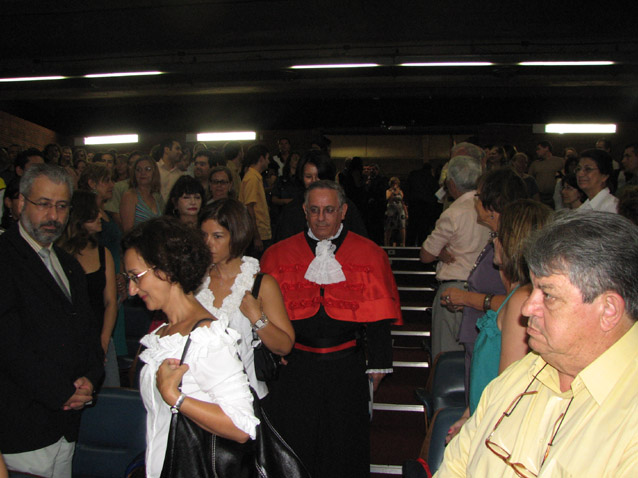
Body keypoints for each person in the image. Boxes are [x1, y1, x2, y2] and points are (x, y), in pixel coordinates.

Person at [435, 211, 638, 477]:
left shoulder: (629, 409)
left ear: (608, 310)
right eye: (533, 290)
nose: (527, 308)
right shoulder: (521, 373)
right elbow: (455, 466)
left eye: (548, 295)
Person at [261, 180, 402, 478]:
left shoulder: (370, 254)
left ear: (343, 211)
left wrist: (378, 365)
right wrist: (273, 355)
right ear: (304, 211)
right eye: (314, 210)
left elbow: (379, 318)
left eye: (329, 210)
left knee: (344, 447)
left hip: (347, 367)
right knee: (296, 445)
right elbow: (265, 316)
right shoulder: (277, 255)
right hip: (296, 366)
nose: (321, 218)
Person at [123, 216, 258, 478]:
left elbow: (242, 427)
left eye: (136, 277)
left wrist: (176, 397)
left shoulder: (207, 338)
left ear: (166, 268)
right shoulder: (164, 333)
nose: (131, 289)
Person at [0, 164, 103, 478]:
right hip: (23, 422)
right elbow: (8, 345)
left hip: (67, 423)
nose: (53, 216)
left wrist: (91, 377)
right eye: (43, 204)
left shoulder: (69, 264)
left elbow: (88, 331)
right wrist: (61, 392)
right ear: (21, 203)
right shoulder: (4, 257)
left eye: (61, 206)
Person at [446, 199, 552, 442]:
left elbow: (508, 389)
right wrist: (469, 413)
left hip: (495, 429)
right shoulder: (515, 296)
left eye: (498, 235)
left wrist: (475, 430)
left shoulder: (521, 301)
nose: (493, 241)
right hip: (484, 418)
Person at [441, 167, 528, 399]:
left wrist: (467, 298)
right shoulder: (497, 242)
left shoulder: (511, 248)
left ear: (492, 205)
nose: (475, 202)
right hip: (480, 338)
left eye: (478, 196)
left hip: (498, 344)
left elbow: (516, 302)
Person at [195, 199, 295, 398]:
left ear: (237, 236)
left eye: (217, 236)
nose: (208, 243)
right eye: (204, 235)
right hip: (198, 394)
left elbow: (284, 346)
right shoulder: (196, 280)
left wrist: (257, 317)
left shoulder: (259, 284)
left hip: (245, 397)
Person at [420, 155, 490, 358]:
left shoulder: (454, 213)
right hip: (484, 292)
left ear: (451, 183)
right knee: (476, 356)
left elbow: (426, 255)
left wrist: (440, 253)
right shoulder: (490, 207)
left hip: (454, 288)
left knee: (447, 356)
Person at [57, 190, 119, 387]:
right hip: (68, 341)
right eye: (95, 212)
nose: (101, 216)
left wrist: (104, 340)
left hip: (100, 335)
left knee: (111, 393)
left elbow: (110, 302)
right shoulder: (58, 255)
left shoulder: (103, 253)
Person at [274, 149, 367, 242]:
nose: (314, 181)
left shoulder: (345, 206)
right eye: (308, 177)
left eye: (320, 176)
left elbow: (360, 242)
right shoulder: (292, 210)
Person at [239, 144, 272, 257]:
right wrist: (256, 237)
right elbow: (249, 208)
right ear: (261, 159)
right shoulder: (252, 178)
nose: (268, 161)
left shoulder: (255, 177)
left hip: (261, 232)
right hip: (258, 234)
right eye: (267, 158)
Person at [120, 155, 164, 233]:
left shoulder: (155, 197)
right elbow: (128, 231)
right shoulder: (130, 196)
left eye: (147, 169)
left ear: (154, 173)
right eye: (138, 170)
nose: (143, 173)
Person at [576, 148, 618, 213]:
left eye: (588, 169)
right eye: (578, 169)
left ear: (604, 176)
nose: (580, 174)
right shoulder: (583, 207)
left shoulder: (612, 207)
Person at [528, 140, 564, 208]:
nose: (537, 151)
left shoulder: (560, 161)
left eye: (539, 149)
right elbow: (530, 180)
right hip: (540, 197)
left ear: (546, 148)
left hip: (556, 195)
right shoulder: (535, 164)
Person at [384, 176, 407, 247]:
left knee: (402, 226)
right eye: (393, 183)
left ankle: (403, 243)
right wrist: (393, 192)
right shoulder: (388, 191)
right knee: (389, 227)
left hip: (400, 209)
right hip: (391, 209)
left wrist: (406, 212)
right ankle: (387, 243)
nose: (395, 185)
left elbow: (402, 201)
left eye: (396, 183)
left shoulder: (400, 191)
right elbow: (388, 198)